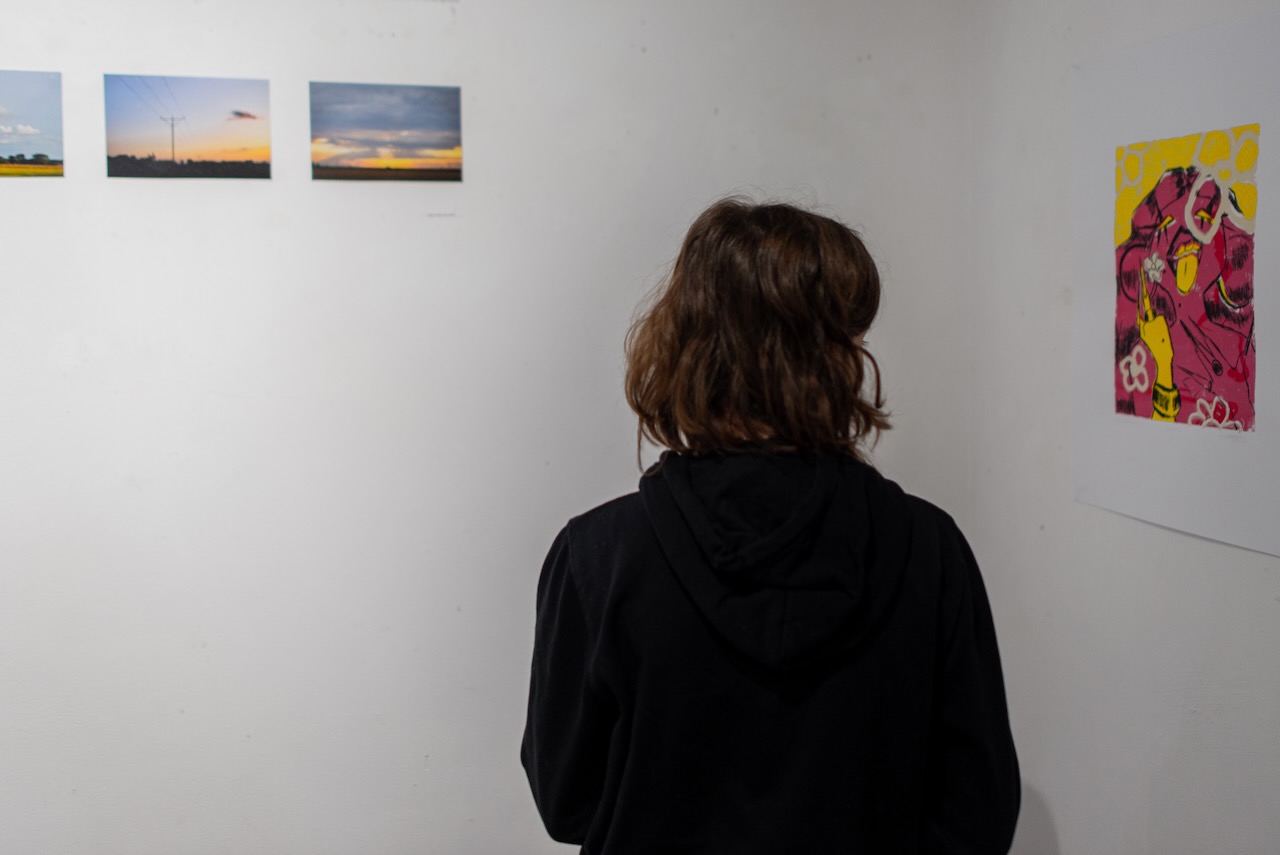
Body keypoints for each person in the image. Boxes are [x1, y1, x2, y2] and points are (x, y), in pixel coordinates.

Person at [521, 198, 1020, 853]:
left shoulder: (598, 558)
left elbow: (568, 801)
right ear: (836, 357)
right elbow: (978, 815)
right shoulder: (931, 551)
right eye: (853, 334)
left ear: (686, 343)